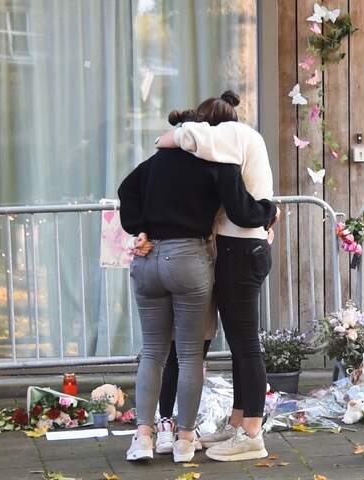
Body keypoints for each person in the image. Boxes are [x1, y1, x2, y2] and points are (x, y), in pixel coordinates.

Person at [118, 103, 277, 464]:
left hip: (148, 258)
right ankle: (186, 441)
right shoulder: (216, 164)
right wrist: (270, 211)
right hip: (189, 259)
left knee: (155, 351)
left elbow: (126, 189)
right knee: (191, 354)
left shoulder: (153, 163)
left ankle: (149, 434)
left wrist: (139, 228)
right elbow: (240, 210)